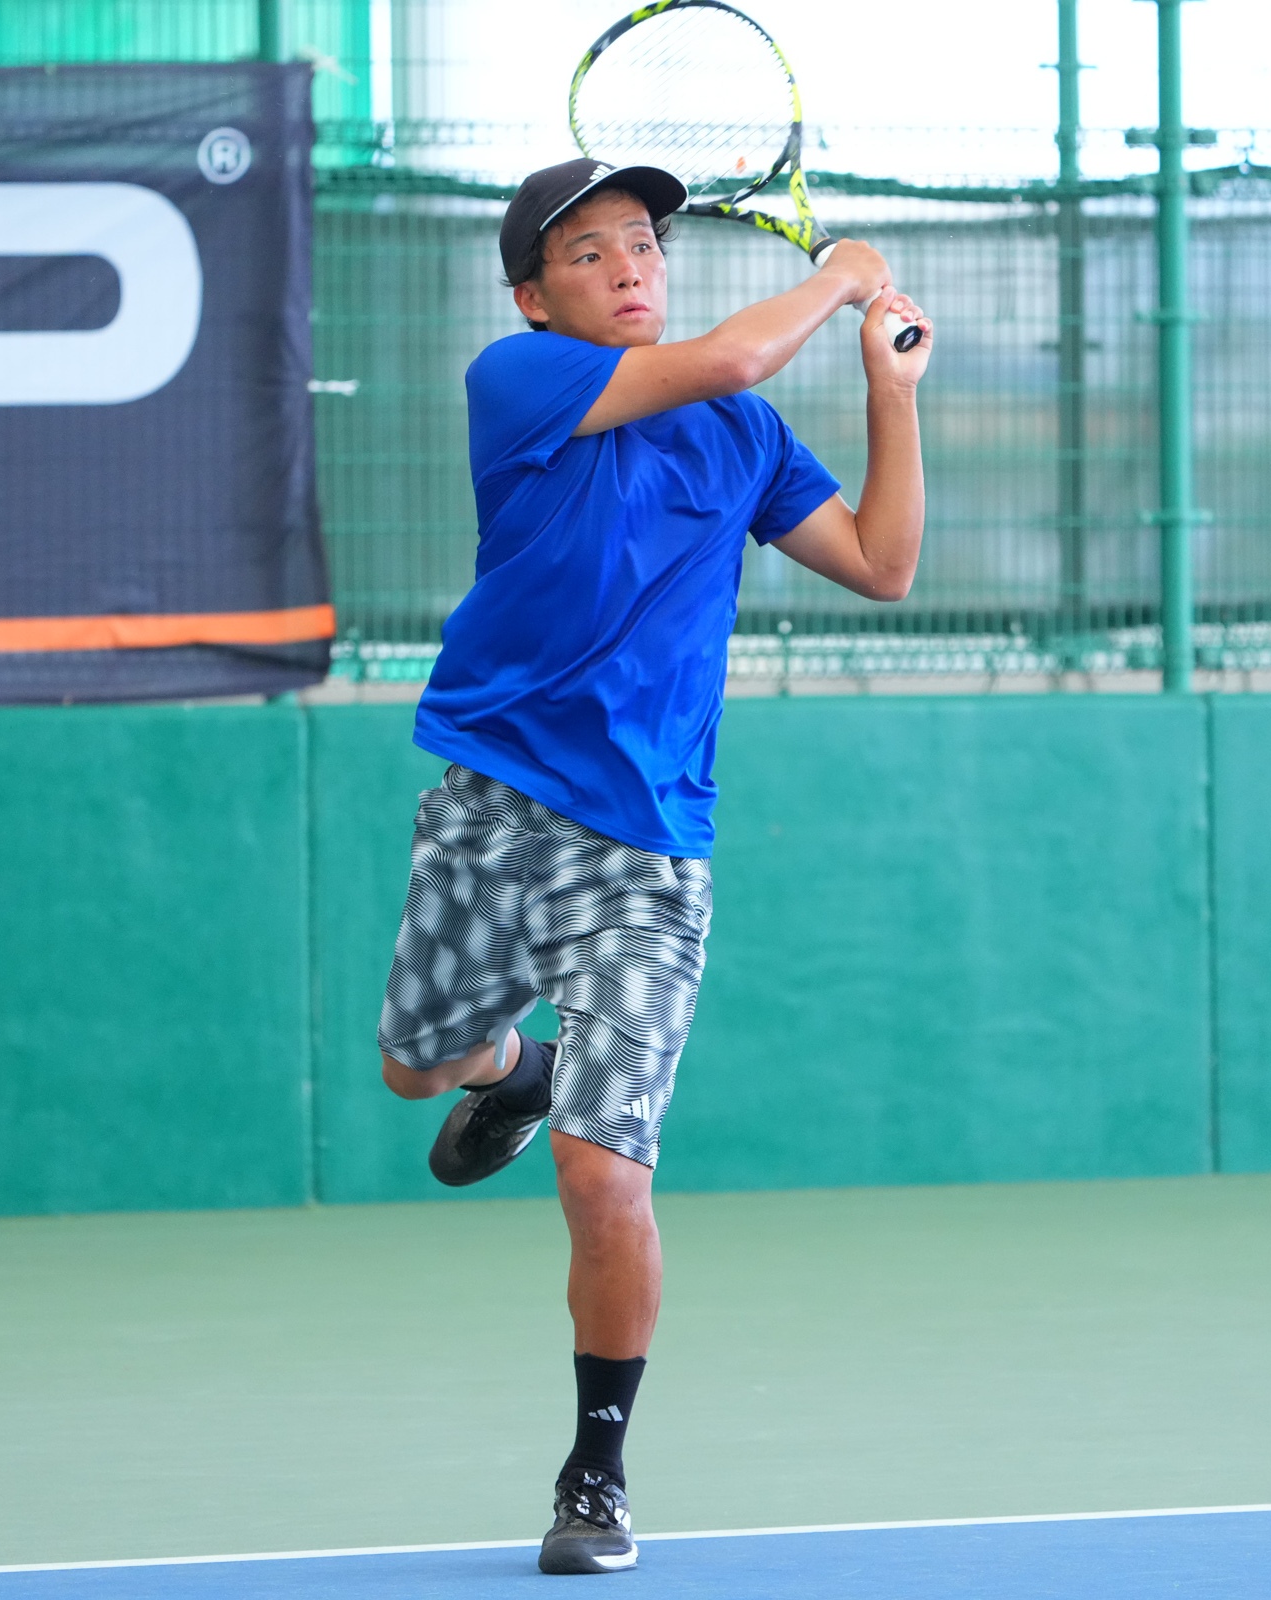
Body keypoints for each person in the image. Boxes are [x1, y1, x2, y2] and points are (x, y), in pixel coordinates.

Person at [372, 157, 931, 1576]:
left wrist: (891, 388)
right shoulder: (517, 379)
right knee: (418, 1069)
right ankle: (513, 1068)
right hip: (493, 814)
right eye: (589, 253)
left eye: (643, 243)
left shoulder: (741, 434)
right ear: (534, 298)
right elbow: (739, 347)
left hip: (648, 857)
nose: (629, 265)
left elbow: (881, 564)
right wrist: (842, 273)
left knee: (603, 1174)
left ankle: (596, 1473)